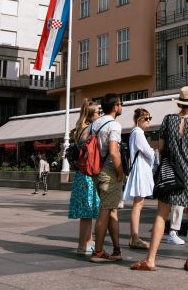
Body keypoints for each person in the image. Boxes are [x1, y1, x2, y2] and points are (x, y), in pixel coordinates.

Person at [131, 86, 188, 272]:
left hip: (171, 173)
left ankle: (150, 260)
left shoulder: (168, 120)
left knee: (161, 215)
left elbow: (162, 147)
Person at [89, 94, 125, 263]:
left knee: (111, 210)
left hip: (95, 171)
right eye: (121, 103)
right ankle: (98, 251)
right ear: (115, 107)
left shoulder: (94, 124)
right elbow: (113, 151)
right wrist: (120, 172)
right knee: (105, 211)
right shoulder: (114, 125)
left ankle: (117, 249)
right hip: (109, 171)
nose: (122, 106)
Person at [68, 100, 101, 256]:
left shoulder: (79, 129)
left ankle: (87, 241)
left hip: (81, 174)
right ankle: (83, 244)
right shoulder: (89, 130)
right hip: (88, 174)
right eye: (97, 112)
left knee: (86, 213)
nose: (99, 115)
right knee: (87, 212)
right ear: (90, 115)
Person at [123, 108, 155, 249]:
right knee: (138, 204)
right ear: (138, 120)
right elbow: (148, 151)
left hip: (140, 169)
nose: (148, 121)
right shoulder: (137, 133)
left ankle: (134, 237)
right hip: (140, 170)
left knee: (138, 204)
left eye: (149, 118)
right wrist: (153, 153)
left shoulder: (136, 133)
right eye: (146, 118)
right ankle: (134, 237)